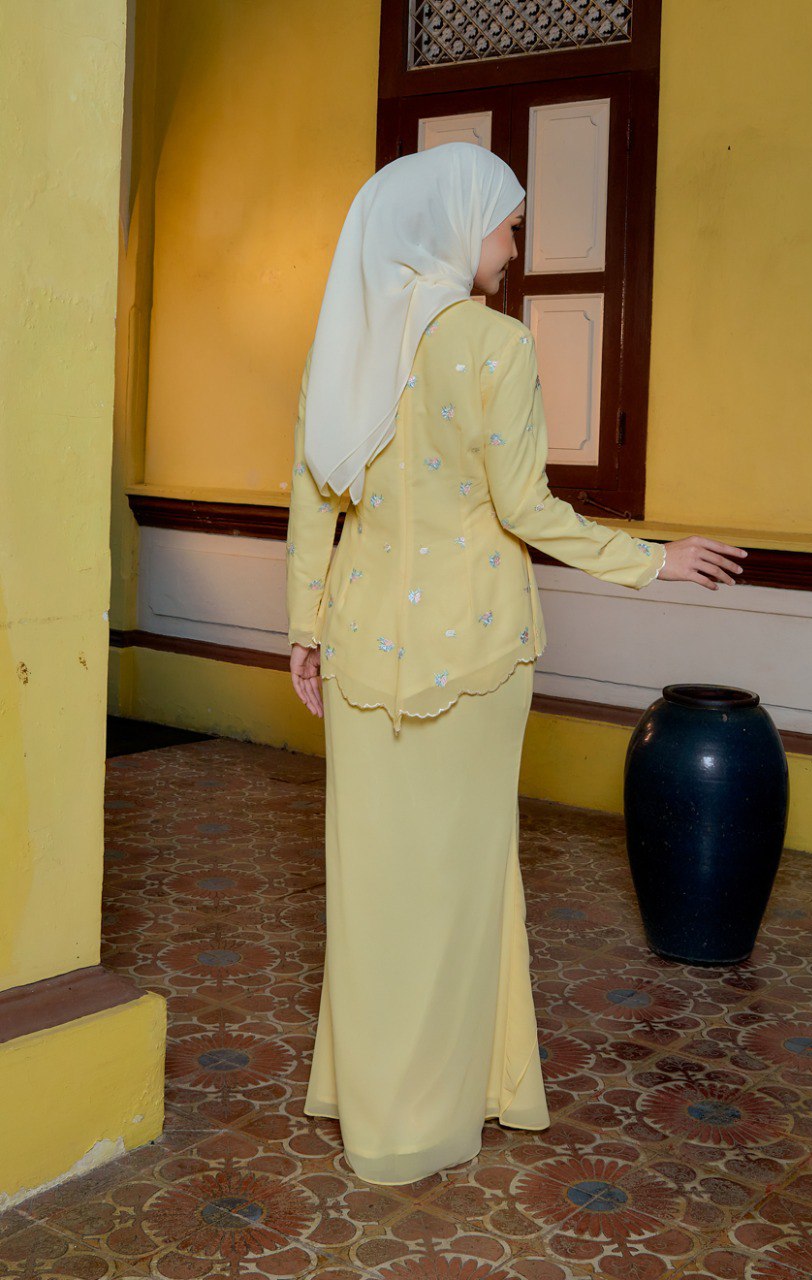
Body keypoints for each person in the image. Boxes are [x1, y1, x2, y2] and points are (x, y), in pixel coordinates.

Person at [285, 142, 746, 1186]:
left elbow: (313, 500)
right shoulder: (495, 346)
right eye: (506, 225)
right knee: (463, 879)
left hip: (358, 645)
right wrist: (653, 560)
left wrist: (303, 630)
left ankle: (390, 1096)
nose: (512, 246)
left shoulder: (344, 345)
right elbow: (525, 508)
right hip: (475, 654)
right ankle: (438, 1110)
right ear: (454, 227)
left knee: (373, 883)